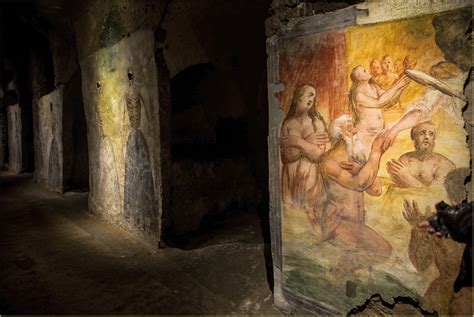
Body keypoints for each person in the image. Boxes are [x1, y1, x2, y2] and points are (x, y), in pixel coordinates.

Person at [319, 115, 392, 271]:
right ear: (339, 134)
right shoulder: (329, 161)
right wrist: (376, 152)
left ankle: (340, 273)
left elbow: (376, 190)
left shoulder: (357, 158)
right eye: (350, 127)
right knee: (382, 250)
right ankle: (338, 273)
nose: (355, 130)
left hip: (357, 223)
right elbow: (358, 184)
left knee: (378, 252)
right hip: (338, 223)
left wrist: (361, 168)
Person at [384, 61, 465, 147]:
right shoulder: (457, 84)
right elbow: (410, 72)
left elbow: (419, 112)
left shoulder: (437, 92)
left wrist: (395, 129)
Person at [280, 84, 330, 212]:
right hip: (291, 181)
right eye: (309, 94)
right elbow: (286, 157)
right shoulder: (288, 124)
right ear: (298, 98)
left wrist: (297, 142)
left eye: (313, 97)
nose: (312, 99)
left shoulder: (316, 122)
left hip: (311, 182)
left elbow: (319, 155)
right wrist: (308, 145)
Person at [349, 65, 410, 154]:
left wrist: (402, 87)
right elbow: (379, 102)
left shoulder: (373, 87)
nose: (368, 70)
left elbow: (390, 102)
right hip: (365, 135)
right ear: (359, 78)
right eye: (364, 71)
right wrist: (398, 85)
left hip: (378, 133)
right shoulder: (358, 94)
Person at [387, 121, 455, 188]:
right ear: (414, 137)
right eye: (422, 133)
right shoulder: (405, 159)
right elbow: (400, 186)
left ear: (433, 139)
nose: (427, 137)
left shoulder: (445, 164)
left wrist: (408, 178)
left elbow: (434, 194)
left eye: (431, 134)